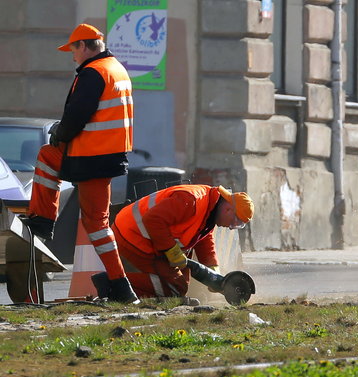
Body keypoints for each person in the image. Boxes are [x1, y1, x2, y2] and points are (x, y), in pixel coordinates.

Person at [20, 23, 138, 303]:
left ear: (83, 46)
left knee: (97, 225)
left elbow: (78, 114)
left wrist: (61, 132)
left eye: (73, 49)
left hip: (91, 157)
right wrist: (61, 137)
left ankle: (122, 287)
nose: (72, 56)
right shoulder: (115, 68)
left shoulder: (93, 73)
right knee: (48, 156)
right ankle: (43, 220)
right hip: (104, 156)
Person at [95, 184, 254, 300]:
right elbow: (153, 219)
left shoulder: (210, 208)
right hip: (132, 236)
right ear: (228, 209)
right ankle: (112, 284)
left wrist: (214, 273)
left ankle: (124, 287)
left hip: (150, 239)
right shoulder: (191, 200)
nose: (233, 227)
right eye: (236, 222)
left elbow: (203, 240)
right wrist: (171, 251)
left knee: (181, 283)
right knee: (175, 287)